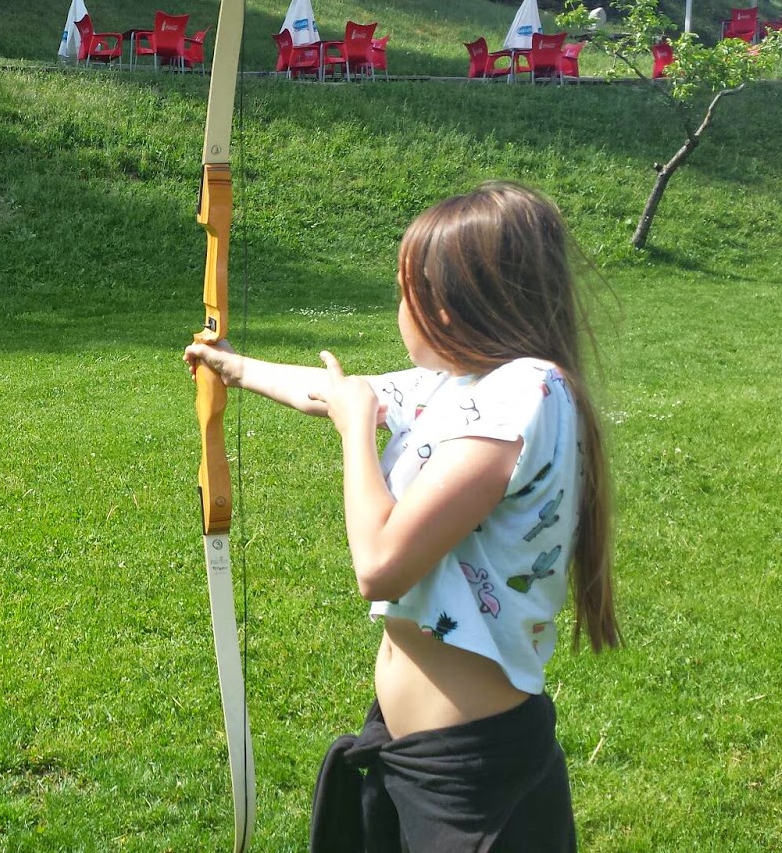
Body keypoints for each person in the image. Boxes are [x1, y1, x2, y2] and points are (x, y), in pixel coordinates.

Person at [184, 181, 619, 851]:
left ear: (450, 303)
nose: (399, 310)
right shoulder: (460, 383)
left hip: (474, 780)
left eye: (404, 292)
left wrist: (356, 433)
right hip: (417, 756)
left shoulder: (525, 389)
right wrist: (231, 367)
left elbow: (381, 565)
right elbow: (332, 392)